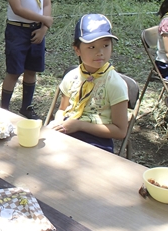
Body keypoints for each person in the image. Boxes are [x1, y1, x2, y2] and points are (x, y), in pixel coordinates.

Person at [47, 14, 128, 153]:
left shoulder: (114, 84)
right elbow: (62, 109)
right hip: (68, 130)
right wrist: (58, 122)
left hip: (97, 142)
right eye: (92, 47)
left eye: (106, 45)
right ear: (77, 49)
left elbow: (120, 131)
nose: (100, 52)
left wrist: (79, 126)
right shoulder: (71, 77)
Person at [0, 0, 53, 119]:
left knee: (31, 70)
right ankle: (3, 110)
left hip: (37, 30)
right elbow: (17, 8)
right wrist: (45, 19)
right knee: (14, 71)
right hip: (17, 30)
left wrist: (43, 28)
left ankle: (26, 107)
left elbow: (46, 3)